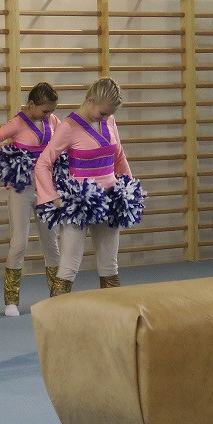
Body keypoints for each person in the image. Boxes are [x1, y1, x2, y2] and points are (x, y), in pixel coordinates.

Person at [33, 78, 130, 295]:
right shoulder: (68, 127)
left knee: (110, 266)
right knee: (69, 265)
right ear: (90, 100)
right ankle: (57, 313)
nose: (105, 117)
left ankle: (112, 313)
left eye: (109, 114)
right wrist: (54, 197)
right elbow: (43, 163)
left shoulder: (110, 120)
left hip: (110, 200)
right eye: (102, 113)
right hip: (79, 204)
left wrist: (128, 187)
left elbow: (119, 156)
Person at [0, 82, 62, 316]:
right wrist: (6, 165)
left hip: (46, 189)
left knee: (52, 245)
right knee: (19, 243)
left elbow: (65, 143)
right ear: (31, 104)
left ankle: (58, 297)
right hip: (22, 190)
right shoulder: (17, 124)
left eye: (52, 111)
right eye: (45, 110)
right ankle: (11, 300)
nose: (49, 115)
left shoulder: (53, 121)